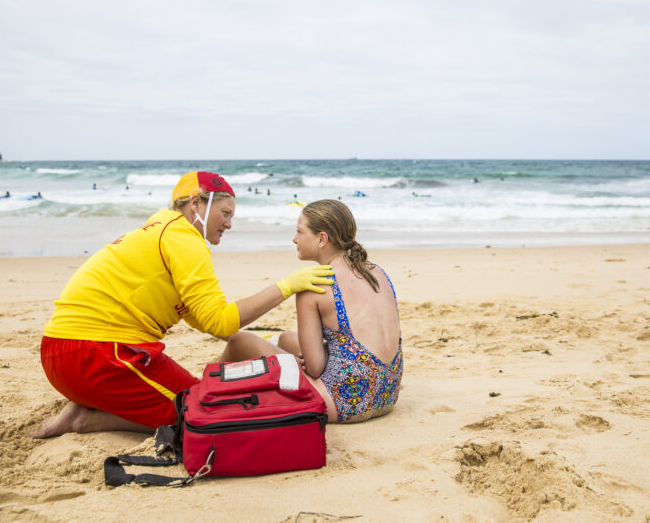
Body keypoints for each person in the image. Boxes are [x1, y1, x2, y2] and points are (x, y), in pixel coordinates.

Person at [32, 171, 333, 438]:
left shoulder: (163, 233)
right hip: (97, 355)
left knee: (200, 392)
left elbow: (213, 324)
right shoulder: (184, 239)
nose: (229, 224)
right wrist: (286, 286)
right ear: (196, 204)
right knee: (199, 412)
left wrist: (272, 346)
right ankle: (87, 419)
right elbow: (221, 322)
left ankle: (95, 403)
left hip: (64, 355)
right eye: (225, 213)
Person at [222, 199, 402, 423]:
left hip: (346, 403)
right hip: (387, 393)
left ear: (322, 238)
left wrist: (317, 358)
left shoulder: (314, 284)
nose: (294, 239)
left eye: (299, 232)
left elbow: (315, 368)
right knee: (288, 338)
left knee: (240, 341)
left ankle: (208, 391)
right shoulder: (377, 271)